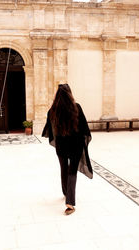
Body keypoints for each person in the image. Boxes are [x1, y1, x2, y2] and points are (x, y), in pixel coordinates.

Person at [42, 83, 93, 215]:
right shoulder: (77, 108)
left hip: (61, 146)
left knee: (64, 169)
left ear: (57, 95)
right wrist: (83, 142)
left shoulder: (52, 111)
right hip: (75, 145)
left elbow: (49, 131)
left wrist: (58, 139)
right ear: (70, 94)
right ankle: (70, 202)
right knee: (72, 172)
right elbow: (84, 128)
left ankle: (66, 192)